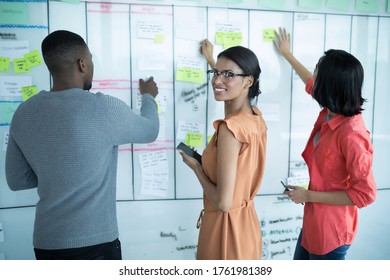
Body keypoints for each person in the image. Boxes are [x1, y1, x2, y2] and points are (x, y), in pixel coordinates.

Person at [5, 30, 159, 260]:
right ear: (82, 64)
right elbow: (150, 130)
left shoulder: (23, 113)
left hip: (46, 243)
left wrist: (55, 172)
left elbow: (16, 181)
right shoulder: (104, 108)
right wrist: (148, 97)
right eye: (91, 59)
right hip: (95, 242)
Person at [273, 27, 376, 260]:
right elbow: (308, 80)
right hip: (313, 224)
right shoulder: (331, 110)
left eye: (317, 72)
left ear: (329, 85)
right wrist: (287, 54)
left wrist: (309, 196)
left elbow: (365, 194)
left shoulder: (352, 134)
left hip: (331, 232)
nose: (313, 76)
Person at [178, 39, 267, 260]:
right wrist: (213, 60)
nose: (217, 79)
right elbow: (229, 81)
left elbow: (224, 203)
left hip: (224, 232)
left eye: (228, 74)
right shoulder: (256, 118)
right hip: (246, 228)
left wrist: (196, 167)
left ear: (248, 81)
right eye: (215, 72)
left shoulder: (230, 129)